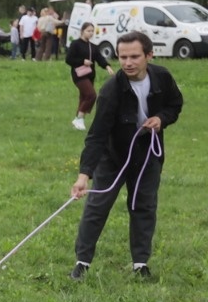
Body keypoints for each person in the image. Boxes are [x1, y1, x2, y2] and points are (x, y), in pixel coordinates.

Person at [69, 31, 183, 281]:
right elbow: (97, 135)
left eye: (134, 56)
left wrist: (161, 119)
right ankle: (81, 263)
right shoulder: (111, 89)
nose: (128, 62)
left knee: (143, 206)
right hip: (114, 157)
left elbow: (175, 105)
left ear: (149, 56)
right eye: (122, 57)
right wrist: (83, 175)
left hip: (148, 156)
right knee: (97, 207)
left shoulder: (162, 77)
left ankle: (140, 264)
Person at [66, 22, 115, 131]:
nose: (91, 33)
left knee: (84, 97)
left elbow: (99, 58)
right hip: (79, 75)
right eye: (88, 31)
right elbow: (69, 59)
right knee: (91, 95)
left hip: (90, 75)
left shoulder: (93, 46)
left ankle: (77, 120)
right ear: (82, 31)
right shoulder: (75, 44)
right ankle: (80, 118)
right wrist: (82, 61)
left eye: (92, 31)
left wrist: (107, 66)